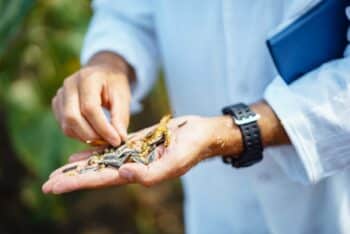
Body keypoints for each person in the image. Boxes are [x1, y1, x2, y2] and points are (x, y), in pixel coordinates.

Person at [43, 1, 350, 233]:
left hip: (331, 206)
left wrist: (234, 131)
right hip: (213, 207)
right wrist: (108, 63)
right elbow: (127, 13)